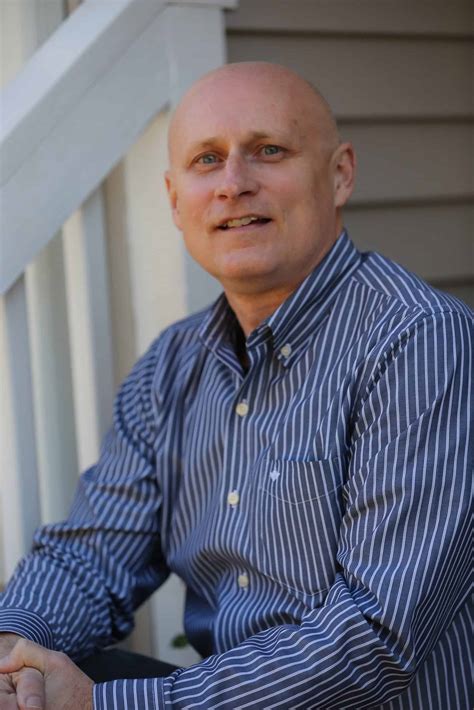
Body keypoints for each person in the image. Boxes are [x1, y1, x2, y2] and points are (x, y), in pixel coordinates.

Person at [0, 61, 471, 710]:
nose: (233, 184)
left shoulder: (419, 343)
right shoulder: (172, 366)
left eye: (268, 150)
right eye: (207, 160)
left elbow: (373, 640)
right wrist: (13, 650)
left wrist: (108, 705)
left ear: (340, 174)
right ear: (175, 200)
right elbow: (93, 555)